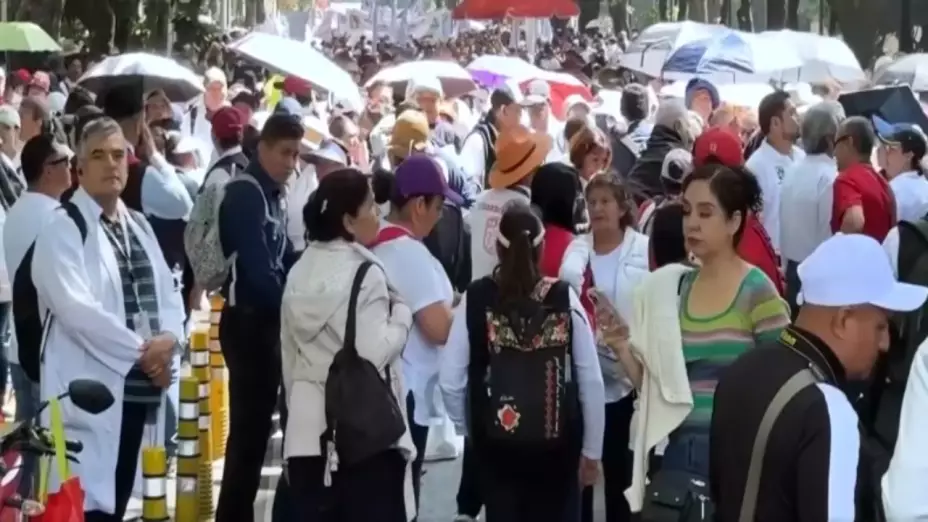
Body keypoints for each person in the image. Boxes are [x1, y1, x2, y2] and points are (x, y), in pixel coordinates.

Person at [710, 234, 927, 521]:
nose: (885, 343)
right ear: (844, 320)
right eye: (880, 325)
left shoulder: (744, 368)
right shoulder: (827, 408)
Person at [613, 162, 792, 510]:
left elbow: (783, 384)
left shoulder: (758, 292)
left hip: (740, 460)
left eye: (706, 213)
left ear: (734, 221)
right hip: (681, 460)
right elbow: (655, 391)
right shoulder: (675, 288)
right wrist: (621, 344)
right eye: (687, 211)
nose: (692, 223)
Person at [32, 117, 182, 521]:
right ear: (79, 169)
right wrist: (146, 354)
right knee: (87, 510)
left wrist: (170, 342)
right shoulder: (62, 229)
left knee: (122, 505)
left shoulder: (140, 225)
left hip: (140, 395)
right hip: (90, 404)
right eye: (97, 155)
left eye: (118, 154)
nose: (110, 164)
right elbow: (77, 311)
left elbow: (171, 296)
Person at [440, 201, 606, 522]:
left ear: (498, 251)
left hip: (496, 447)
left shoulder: (475, 298)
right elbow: (590, 380)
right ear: (542, 248)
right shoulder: (562, 296)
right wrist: (592, 451)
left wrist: (469, 428)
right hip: (557, 449)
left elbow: (450, 380)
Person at [281, 168, 414, 521]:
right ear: (348, 221)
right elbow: (372, 353)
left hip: (309, 431)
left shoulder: (298, 269)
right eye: (371, 205)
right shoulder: (364, 273)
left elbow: (288, 360)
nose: (379, 213)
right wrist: (402, 317)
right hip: (362, 435)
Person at [215, 111, 301, 522]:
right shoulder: (246, 194)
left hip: (264, 323)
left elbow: (282, 258)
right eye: (285, 152)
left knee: (257, 434)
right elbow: (259, 268)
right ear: (263, 147)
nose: (291, 162)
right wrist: (295, 307)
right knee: (249, 436)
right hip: (248, 324)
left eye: (296, 154)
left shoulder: (271, 194)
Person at [369, 154, 461, 515]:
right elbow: (438, 327)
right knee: (403, 499)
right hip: (407, 395)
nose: (440, 217)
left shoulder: (379, 239)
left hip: (389, 392)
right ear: (418, 204)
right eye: (438, 207)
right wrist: (466, 311)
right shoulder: (407, 253)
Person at [560, 173, 649, 522]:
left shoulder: (642, 249)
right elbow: (567, 285)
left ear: (622, 206)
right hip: (586, 382)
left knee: (621, 480)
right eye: (591, 201)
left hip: (628, 380)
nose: (597, 208)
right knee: (581, 477)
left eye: (605, 201)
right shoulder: (577, 250)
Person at [4, 133, 72, 497]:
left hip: (20, 346)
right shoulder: (55, 217)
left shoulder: (18, 210)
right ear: (48, 170)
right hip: (46, 353)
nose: (72, 168)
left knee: (28, 449)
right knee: (50, 449)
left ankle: (17, 509)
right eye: (65, 162)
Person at [779, 100, 844, 316]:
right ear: (830, 139)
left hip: (792, 270)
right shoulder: (829, 177)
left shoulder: (793, 170)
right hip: (816, 275)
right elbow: (828, 235)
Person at [469, 126, 551, 280]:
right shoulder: (530, 213)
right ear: (530, 172)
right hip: (510, 297)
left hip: (476, 294)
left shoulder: (479, 200)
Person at [745, 90, 804, 255]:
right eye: (792, 113)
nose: (798, 118)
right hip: (773, 258)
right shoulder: (756, 167)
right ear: (775, 123)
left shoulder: (802, 157)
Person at [832, 116, 895, 241]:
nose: (834, 153)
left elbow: (855, 222)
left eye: (836, 144)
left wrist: (837, 249)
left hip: (856, 259)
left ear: (849, 142)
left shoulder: (847, 179)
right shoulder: (884, 183)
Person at [626, 99, 701, 201]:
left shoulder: (642, 157)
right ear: (678, 126)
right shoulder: (679, 162)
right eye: (687, 125)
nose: (689, 132)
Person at [459, 86, 523, 189]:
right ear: (504, 111)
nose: (521, 120)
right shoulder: (478, 141)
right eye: (518, 112)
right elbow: (468, 188)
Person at [875, 120, 928, 222]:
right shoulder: (923, 184)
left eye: (891, 147)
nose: (885, 152)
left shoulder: (894, 191)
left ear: (908, 155)